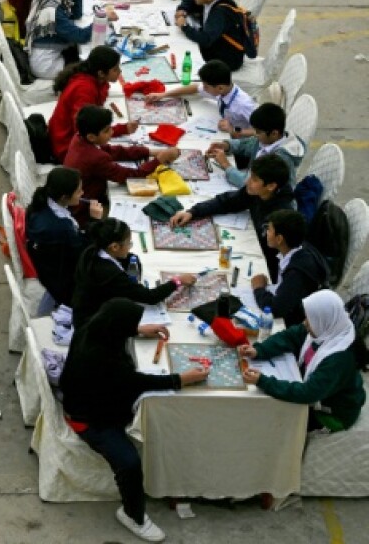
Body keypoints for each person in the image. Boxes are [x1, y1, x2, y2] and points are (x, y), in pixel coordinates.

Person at [61, 299, 208, 542]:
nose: (135, 327)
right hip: (88, 419)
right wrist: (181, 379)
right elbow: (137, 382)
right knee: (129, 463)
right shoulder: (104, 360)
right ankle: (133, 515)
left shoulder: (90, 327)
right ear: (117, 330)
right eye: (132, 325)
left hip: (87, 396)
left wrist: (138, 330)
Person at [240, 290, 367, 432]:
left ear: (323, 320)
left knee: (272, 420)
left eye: (309, 320)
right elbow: (290, 336)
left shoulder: (339, 359)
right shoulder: (328, 327)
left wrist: (263, 381)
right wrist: (259, 350)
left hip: (333, 413)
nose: (305, 323)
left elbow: (308, 393)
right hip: (317, 391)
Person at [170, 153, 296, 278]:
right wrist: (192, 212)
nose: (247, 181)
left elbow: (279, 258)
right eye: (250, 176)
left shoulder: (282, 216)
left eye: (254, 179)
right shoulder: (257, 193)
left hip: (267, 268)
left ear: (271, 186)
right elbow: (227, 201)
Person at [71, 219, 195, 328]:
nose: (129, 247)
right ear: (114, 247)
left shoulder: (92, 250)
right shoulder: (111, 274)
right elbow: (150, 297)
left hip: (83, 309)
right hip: (92, 323)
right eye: (128, 243)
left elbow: (131, 257)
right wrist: (178, 281)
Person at [64, 106, 178, 208]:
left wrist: (151, 152)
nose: (112, 132)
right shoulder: (95, 158)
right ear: (92, 137)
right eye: (106, 131)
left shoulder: (79, 137)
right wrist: (159, 160)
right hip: (85, 208)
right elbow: (131, 176)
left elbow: (115, 151)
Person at [26, 167, 104, 310]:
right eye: (79, 191)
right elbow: (84, 252)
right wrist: (95, 221)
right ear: (64, 197)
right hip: (63, 283)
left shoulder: (44, 203)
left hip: (53, 263)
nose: (82, 193)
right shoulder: (60, 228)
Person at [25, 0, 117, 80]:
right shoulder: (52, 11)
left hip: (50, 55)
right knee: (93, 68)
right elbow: (80, 36)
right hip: (46, 65)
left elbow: (76, 14)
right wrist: (103, 18)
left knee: (82, 54)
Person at [47, 46, 138, 162]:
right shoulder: (85, 90)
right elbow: (84, 132)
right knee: (118, 156)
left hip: (70, 138)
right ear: (101, 73)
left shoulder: (96, 80)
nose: (120, 72)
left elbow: (102, 94)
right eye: (115, 69)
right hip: (66, 148)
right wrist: (121, 129)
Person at [250, 210, 329, 327]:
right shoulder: (299, 247)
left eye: (269, 230)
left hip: (298, 322)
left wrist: (258, 289)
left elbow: (275, 308)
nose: (266, 232)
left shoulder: (297, 272)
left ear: (279, 239)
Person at [145, 60, 255, 137]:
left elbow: (262, 131)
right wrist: (163, 95)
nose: (204, 88)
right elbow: (194, 88)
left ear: (220, 88)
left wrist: (233, 130)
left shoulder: (243, 104)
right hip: (223, 129)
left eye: (206, 86)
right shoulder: (222, 90)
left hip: (241, 141)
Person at [207, 102, 306, 187]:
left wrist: (225, 165)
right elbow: (244, 145)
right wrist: (226, 145)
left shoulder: (279, 160)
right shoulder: (267, 140)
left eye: (258, 132)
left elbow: (250, 184)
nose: (255, 134)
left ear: (274, 133)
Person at [169, 0, 252, 71]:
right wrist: (183, 10)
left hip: (226, 60)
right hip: (218, 46)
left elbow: (206, 39)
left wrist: (184, 26)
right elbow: (192, 1)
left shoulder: (220, 13)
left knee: (183, 58)